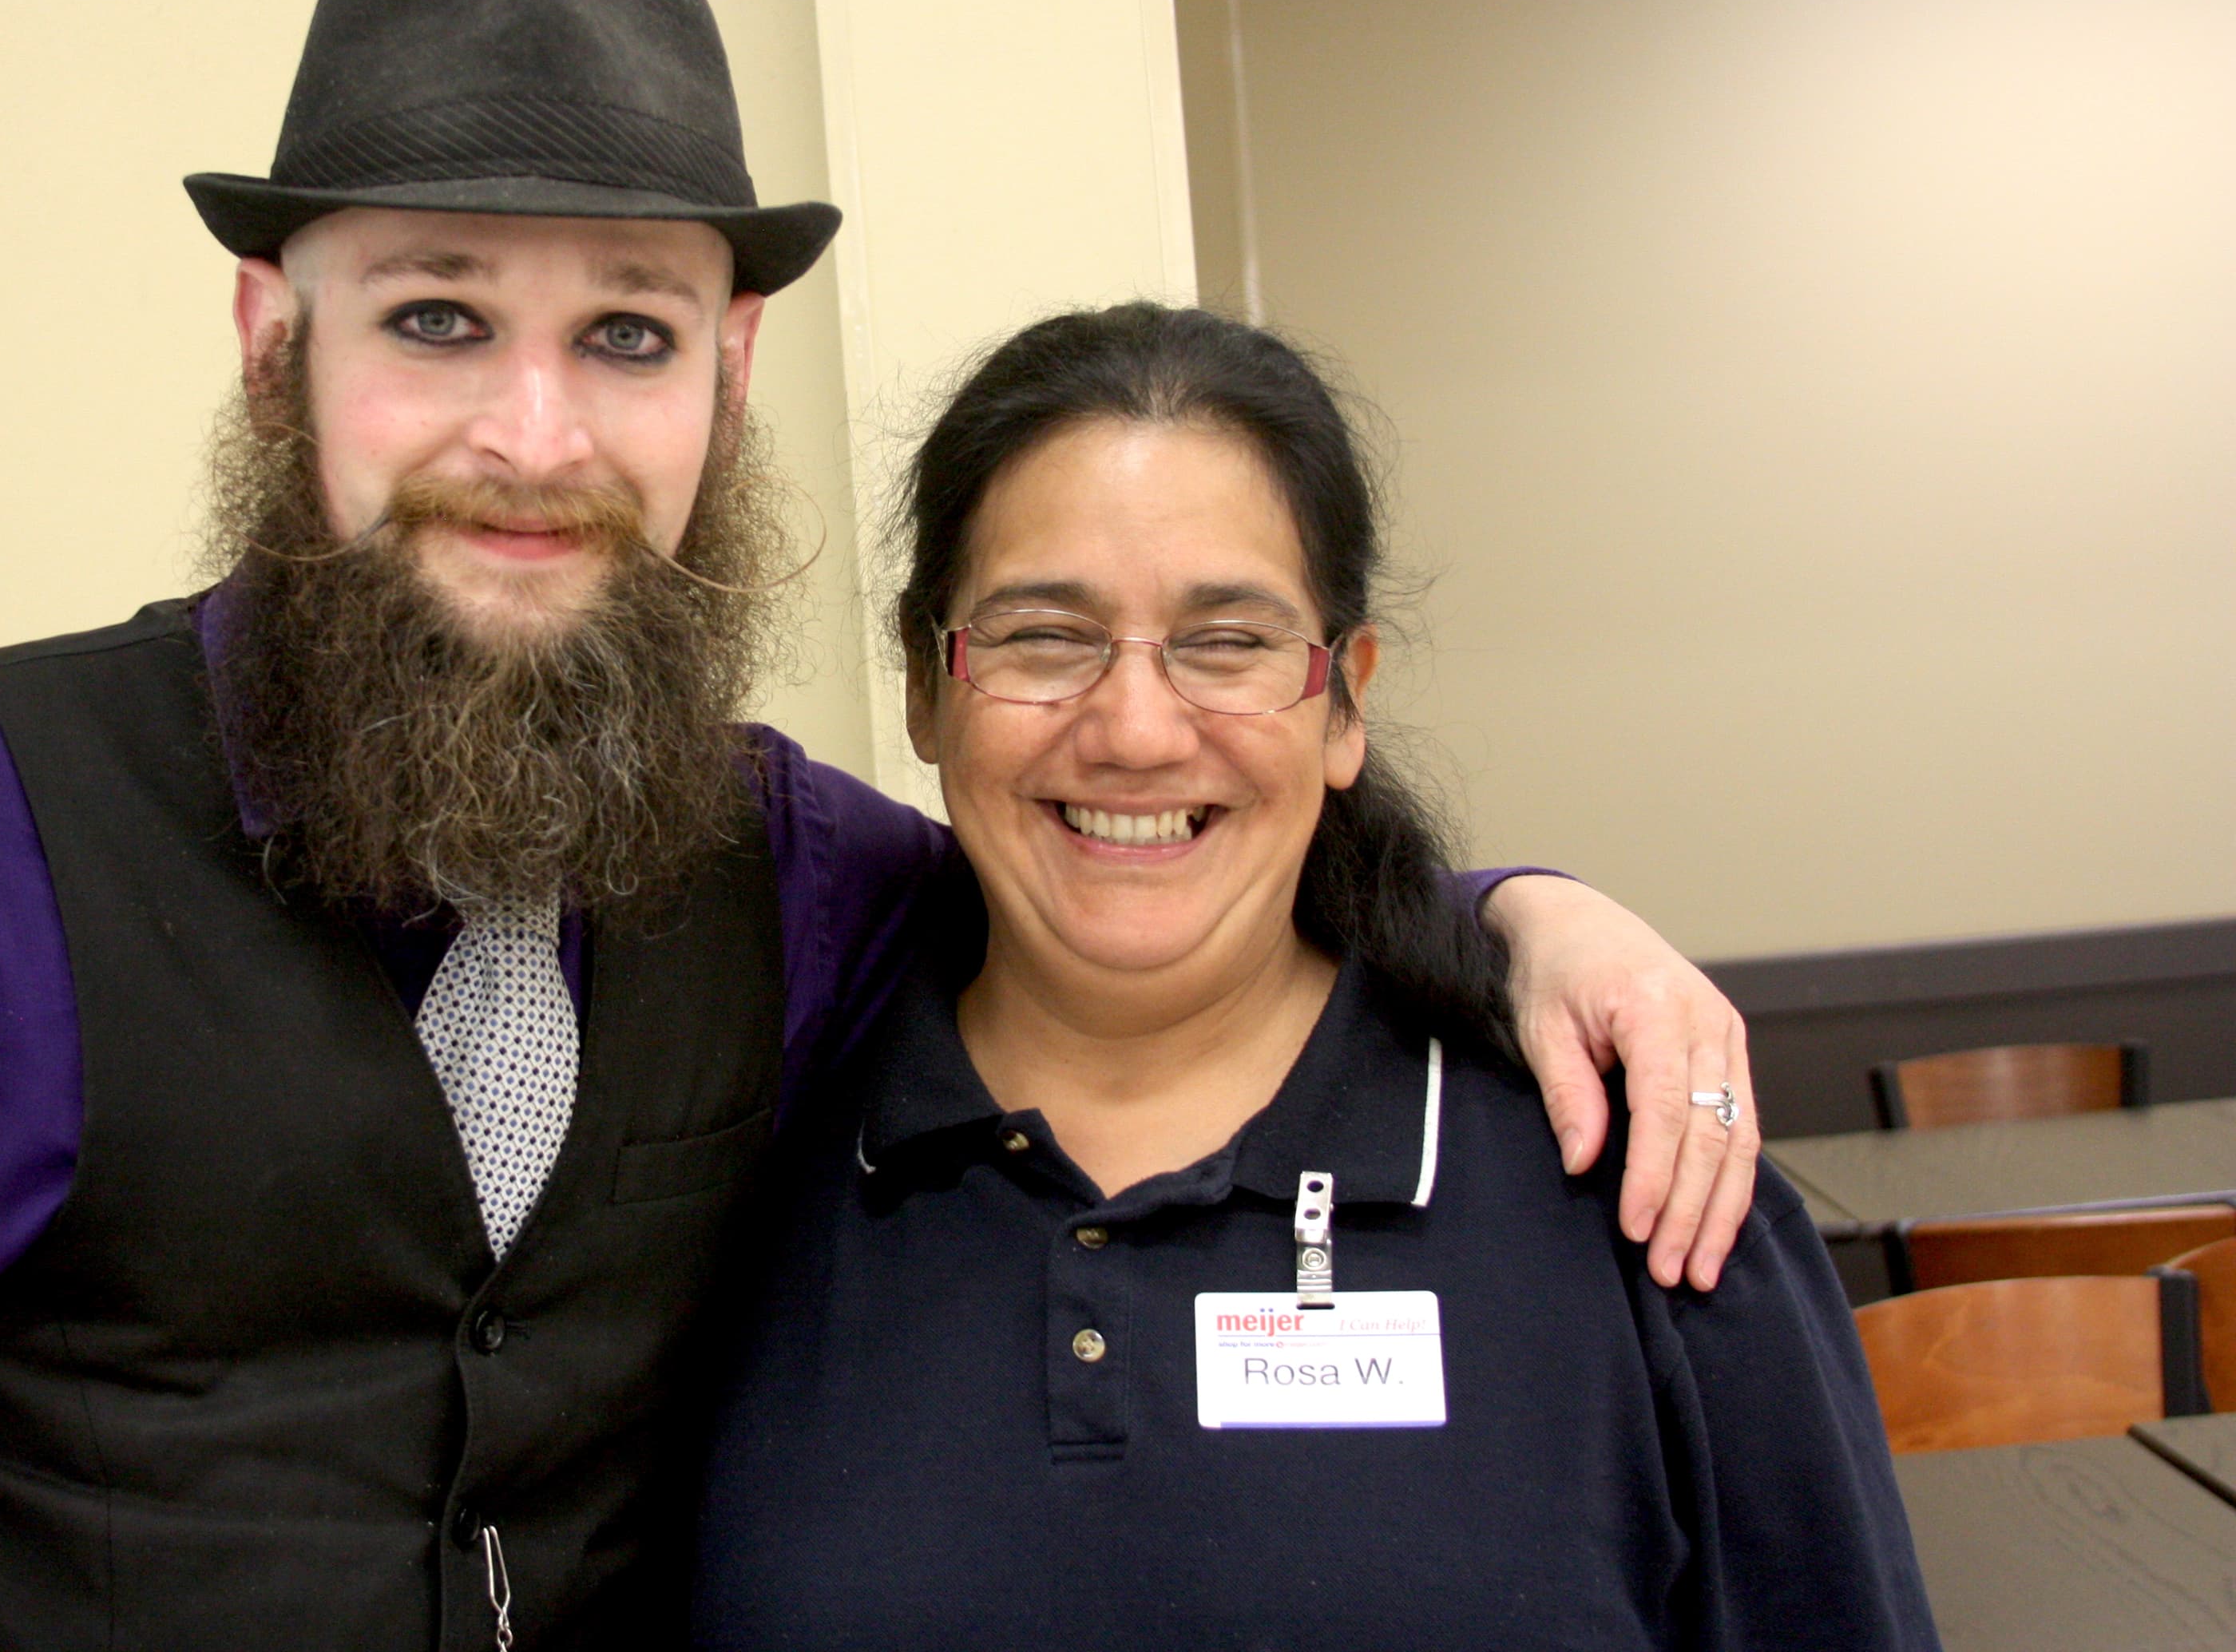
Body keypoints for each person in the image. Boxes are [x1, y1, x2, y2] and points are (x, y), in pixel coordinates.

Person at [0, 0, 1762, 1652]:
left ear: (725, 379)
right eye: (437, 314)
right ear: (276, 342)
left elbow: (1145, 844)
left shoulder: (817, 887)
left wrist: (1516, 909)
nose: (534, 440)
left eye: (623, 335)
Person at [690, 303, 1936, 1650]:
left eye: (1227, 643)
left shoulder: (1638, 1183)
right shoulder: (736, 1174)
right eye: (1044, 636)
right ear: (931, 691)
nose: (1138, 728)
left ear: (1344, 701)